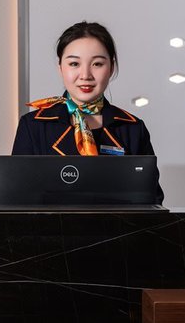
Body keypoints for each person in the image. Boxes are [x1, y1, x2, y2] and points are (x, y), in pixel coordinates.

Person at [11, 21, 163, 203]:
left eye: (97, 64)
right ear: (60, 68)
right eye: (74, 63)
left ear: (111, 67)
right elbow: (17, 198)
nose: (85, 75)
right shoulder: (33, 125)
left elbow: (152, 200)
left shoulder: (132, 128)